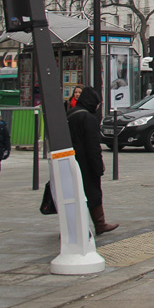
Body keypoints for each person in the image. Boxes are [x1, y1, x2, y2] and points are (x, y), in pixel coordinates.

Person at [67, 86, 118, 235]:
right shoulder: (89, 118)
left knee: (74, 195)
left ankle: (73, 227)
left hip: (71, 160)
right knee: (93, 193)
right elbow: (93, 145)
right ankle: (100, 224)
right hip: (86, 162)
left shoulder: (71, 114)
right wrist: (98, 166)